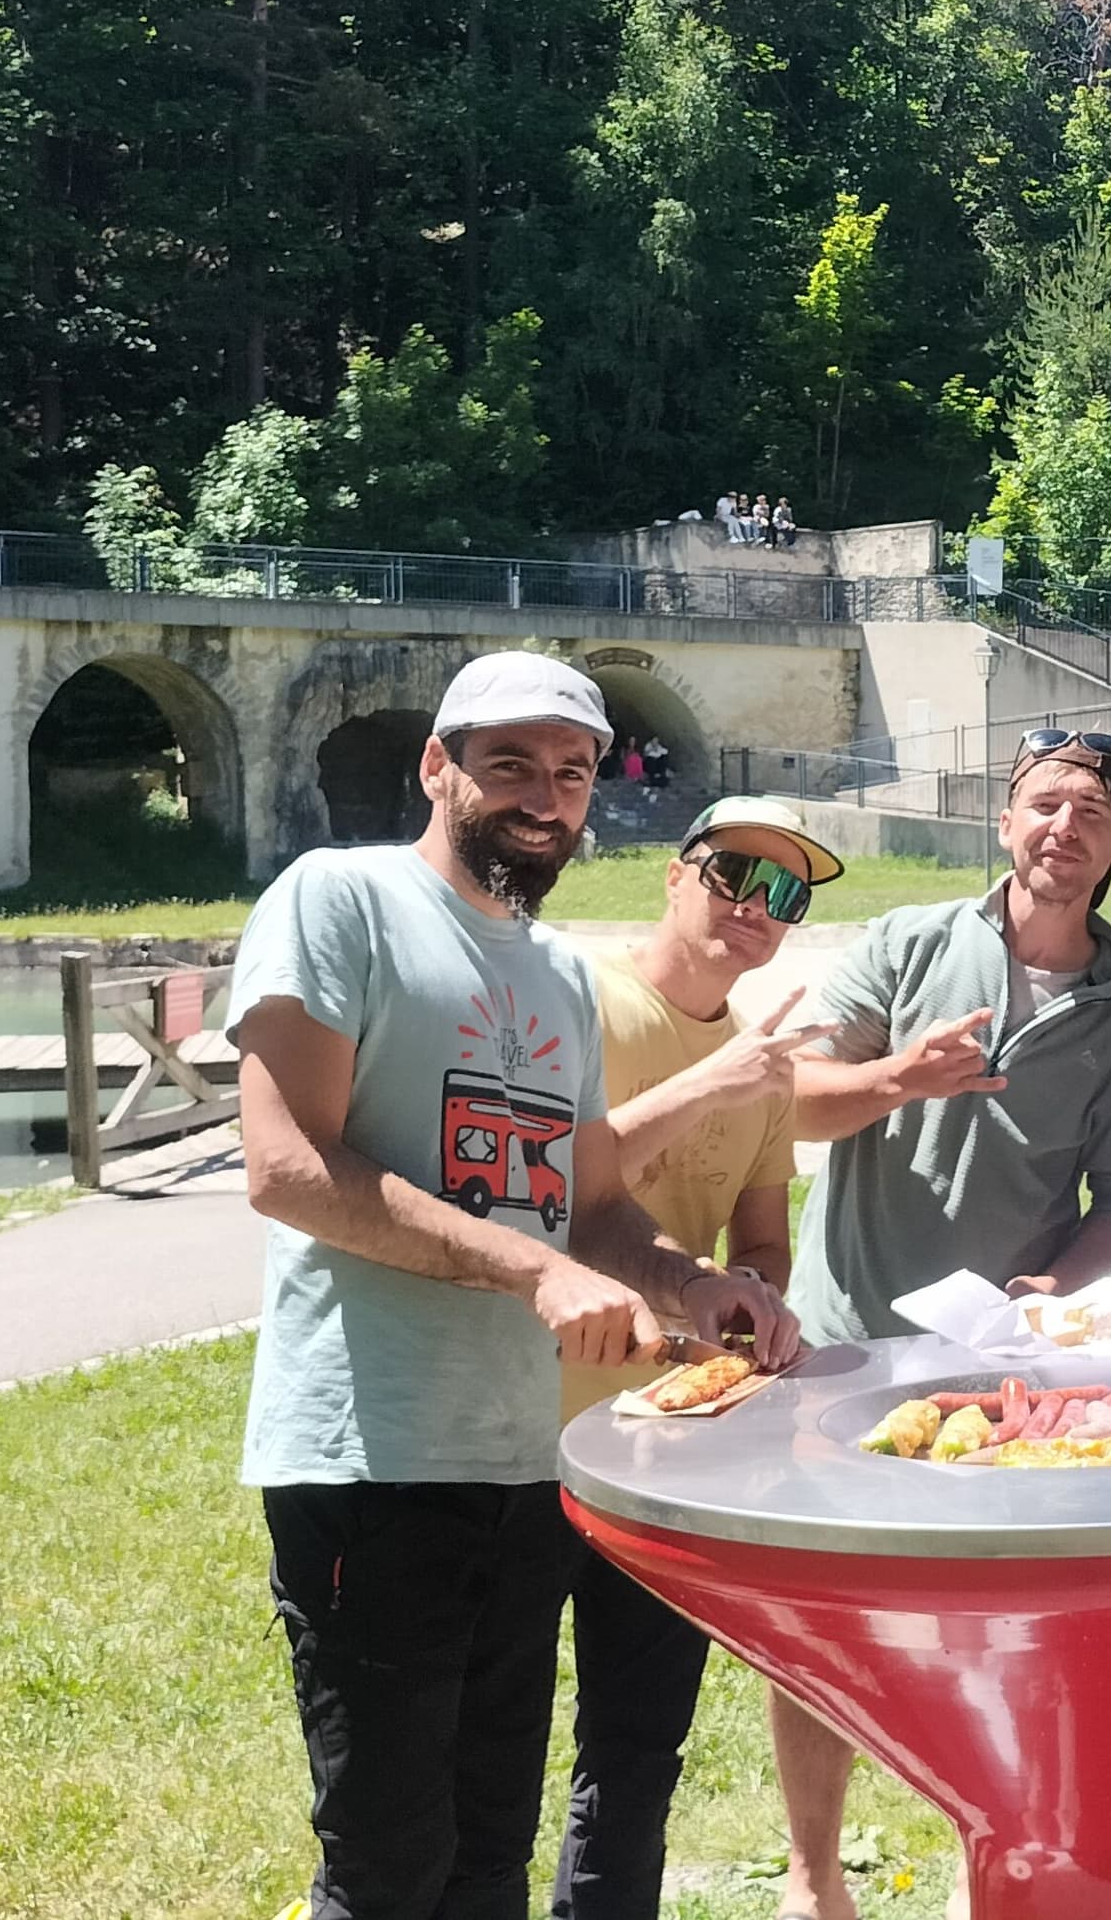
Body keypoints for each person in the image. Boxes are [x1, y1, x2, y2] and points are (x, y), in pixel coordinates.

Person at [233, 651, 811, 1920]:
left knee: (492, 1854)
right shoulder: (340, 899)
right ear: (438, 767)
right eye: (510, 766)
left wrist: (694, 1283)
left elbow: (591, 1204)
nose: (544, 797)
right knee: (389, 1866)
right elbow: (286, 1167)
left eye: (573, 772)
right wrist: (537, 1271)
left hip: (525, 1471)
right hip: (371, 1461)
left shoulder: (554, 973)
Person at [771, 727, 1111, 1920]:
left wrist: (1067, 1286)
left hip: (998, 1375)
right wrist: (900, 1078)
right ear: (1004, 823)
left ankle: (980, 1867)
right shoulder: (903, 944)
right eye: (1044, 803)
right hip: (836, 1345)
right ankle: (812, 1876)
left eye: (1092, 812)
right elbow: (791, 1099)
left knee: (997, 1632)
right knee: (829, 1623)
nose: (1065, 827)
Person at [552, 796, 844, 1920]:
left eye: (786, 894)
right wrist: (717, 1082)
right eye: (734, 875)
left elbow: (759, 1235)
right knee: (490, 1747)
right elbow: (559, 1190)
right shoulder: (586, 1004)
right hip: (532, 1434)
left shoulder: (759, 1062)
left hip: (670, 1452)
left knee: (635, 1754)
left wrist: (758, 1300)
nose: (755, 909)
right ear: (675, 875)